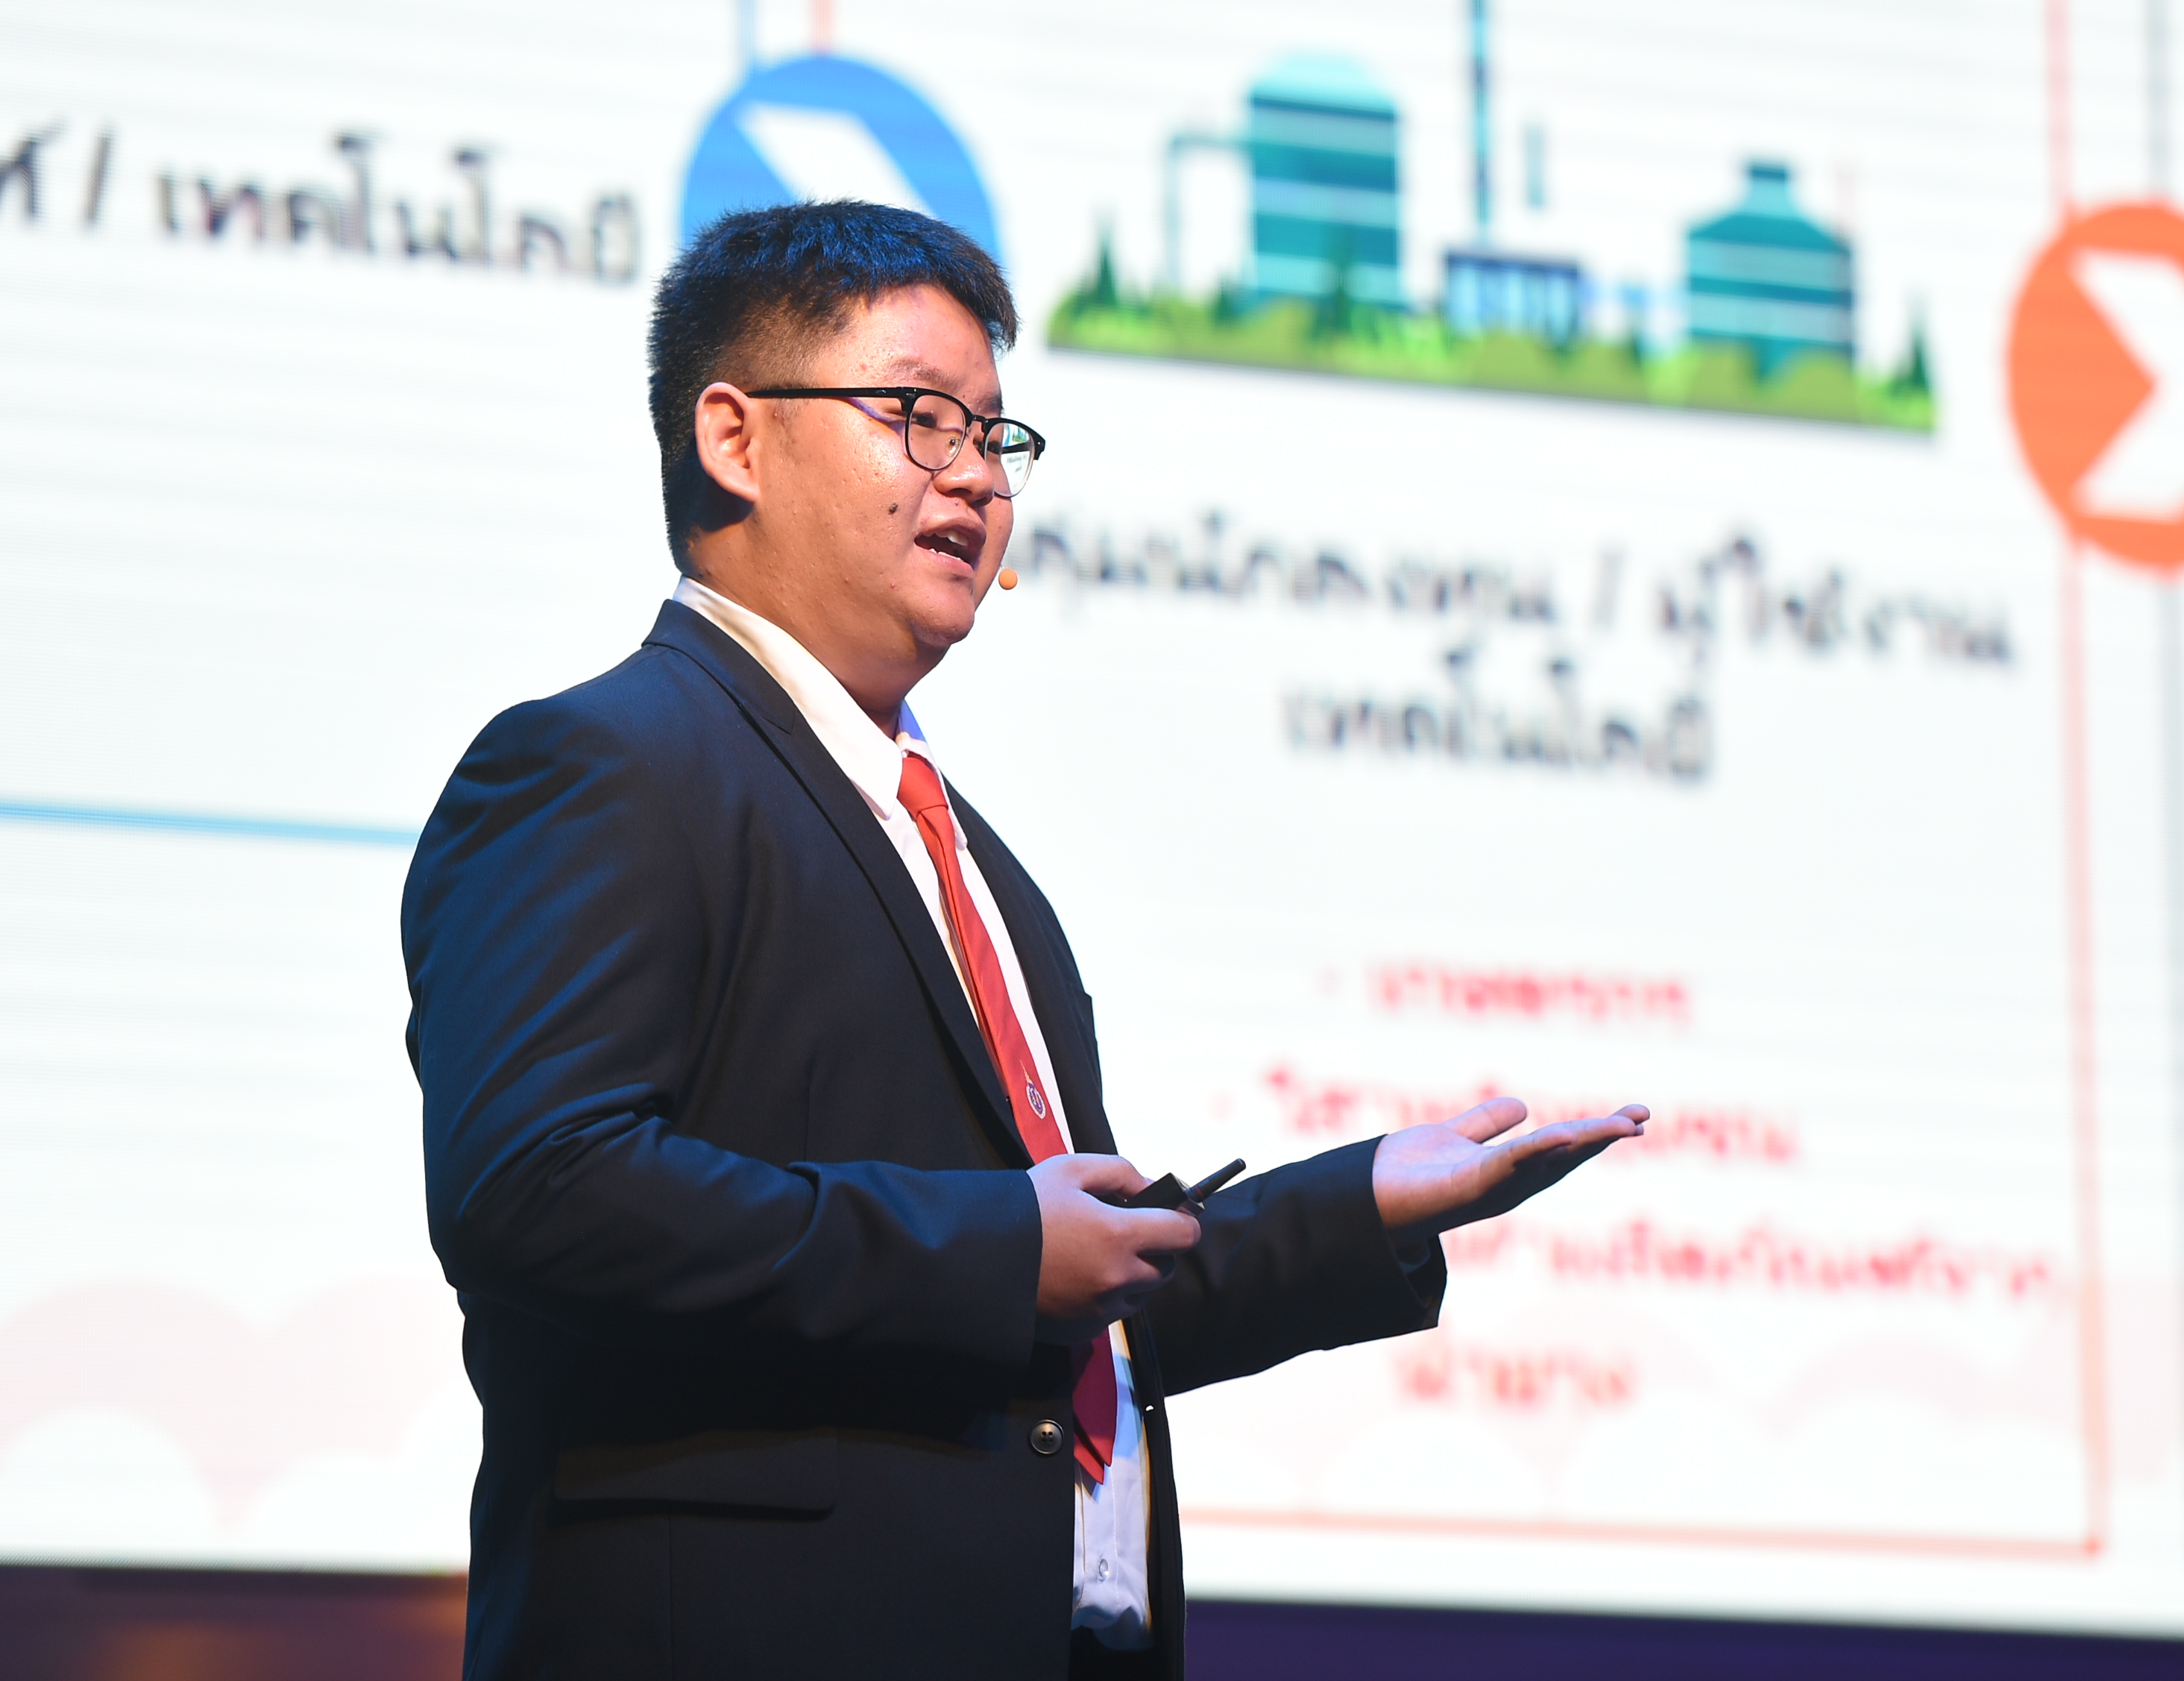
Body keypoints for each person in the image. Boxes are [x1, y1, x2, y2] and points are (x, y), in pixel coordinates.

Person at [400, 201, 1648, 1681]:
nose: (978, 477)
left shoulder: (974, 864)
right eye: (918, 417)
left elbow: (1070, 1297)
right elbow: (537, 1190)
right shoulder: (602, 764)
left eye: (995, 434)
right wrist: (1001, 1250)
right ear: (734, 438)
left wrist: (1358, 1204)